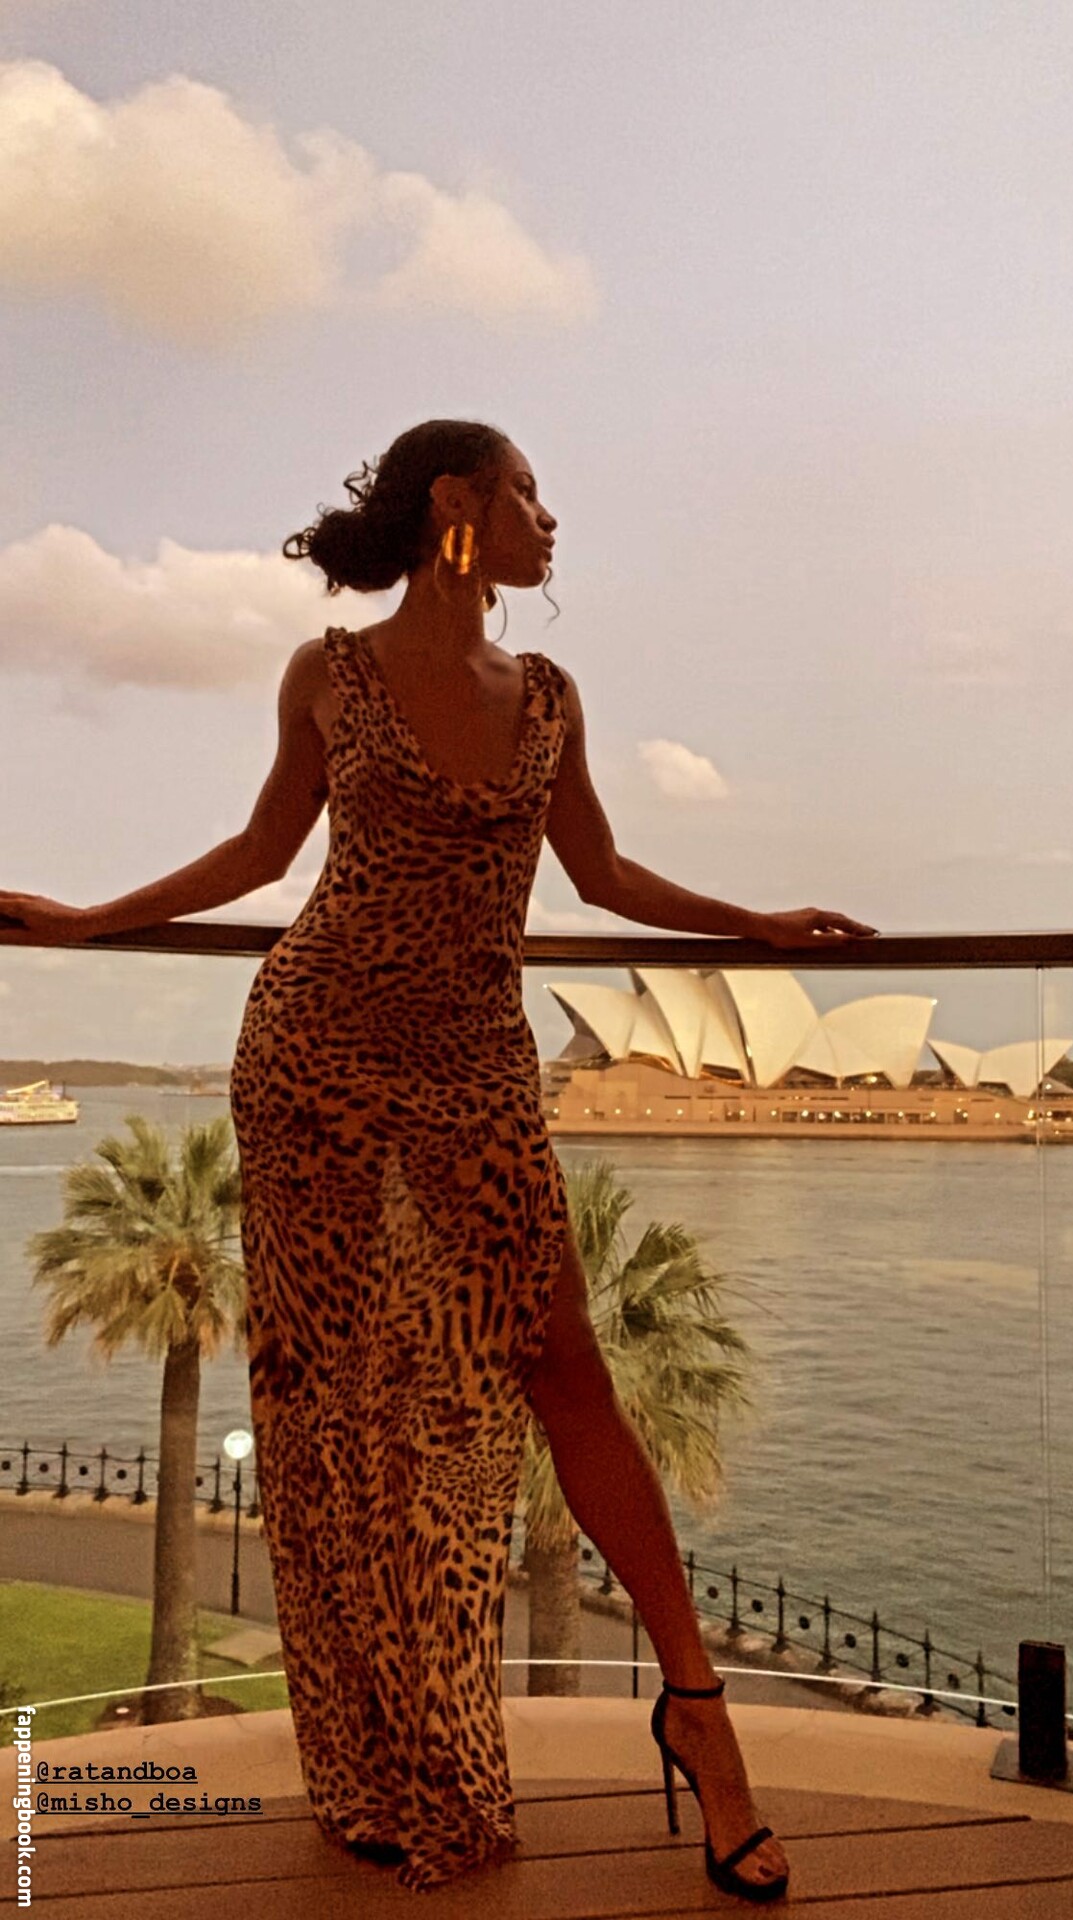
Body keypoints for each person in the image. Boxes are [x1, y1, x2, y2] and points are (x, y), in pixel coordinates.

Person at [0, 418, 875, 1898]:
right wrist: (90, 921)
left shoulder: (550, 694)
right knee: (329, 1407)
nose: (550, 516)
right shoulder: (328, 672)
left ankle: (699, 1712)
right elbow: (263, 854)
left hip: (476, 1072)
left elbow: (602, 874)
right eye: (529, 489)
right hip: (315, 1063)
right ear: (458, 504)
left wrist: (758, 924)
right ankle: (372, 1754)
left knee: (566, 1368)